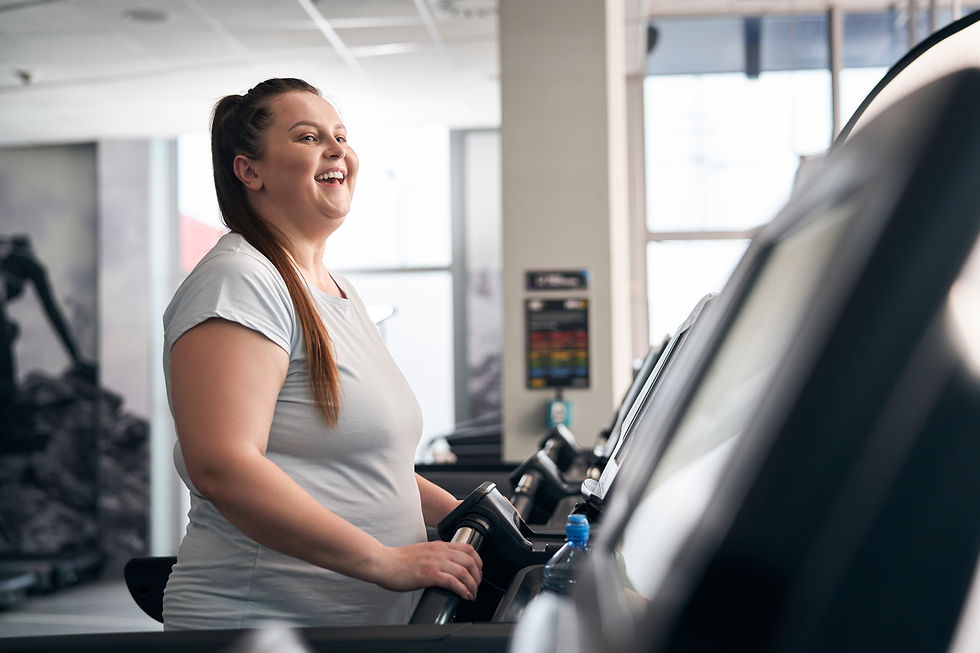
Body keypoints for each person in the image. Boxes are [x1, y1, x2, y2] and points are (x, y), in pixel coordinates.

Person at [161, 78, 481, 630]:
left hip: (354, 626)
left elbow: (371, 466)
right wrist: (381, 560)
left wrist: (471, 516)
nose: (336, 149)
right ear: (250, 171)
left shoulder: (334, 289)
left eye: (340, 135)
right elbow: (221, 465)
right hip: (262, 624)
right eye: (309, 137)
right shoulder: (239, 281)